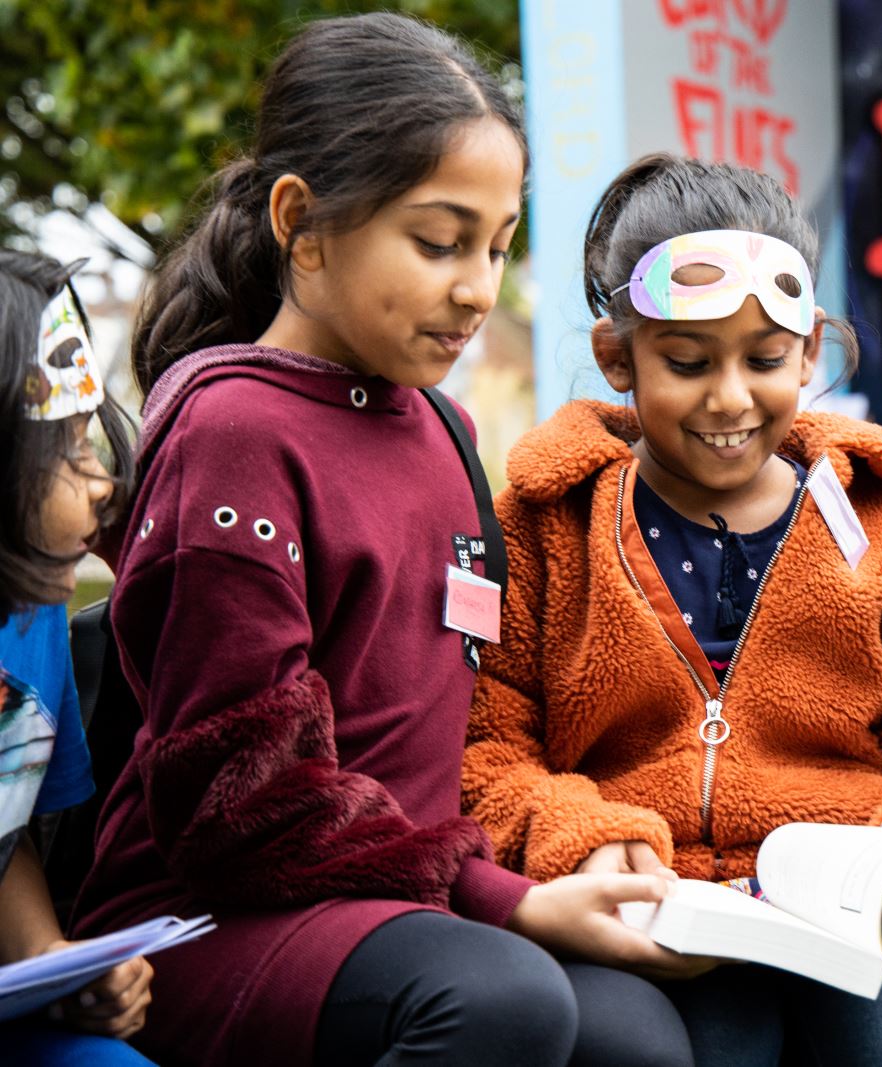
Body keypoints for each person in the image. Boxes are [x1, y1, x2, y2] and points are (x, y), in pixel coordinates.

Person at [69, 15, 692, 1067]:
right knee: (502, 1001)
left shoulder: (444, 426)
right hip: (207, 915)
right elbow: (244, 801)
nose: (477, 287)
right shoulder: (233, 434)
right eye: (439, 241)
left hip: (393, 900)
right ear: (303, 224)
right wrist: (505, 900)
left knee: (641, 1039)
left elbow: (460, 706)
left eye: (498, 246)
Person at [464, 153, 882, 1067]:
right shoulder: (539, 527)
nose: (730, 398)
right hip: (648, 919)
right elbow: (489, 747)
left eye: (766, 359)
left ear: (809, 351)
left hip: (851, 924)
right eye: (687, 363)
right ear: (617, 358)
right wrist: (586, 841)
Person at [0, 251, 152, 1065]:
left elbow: (7, 830)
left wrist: (53, 961)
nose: (102, 483)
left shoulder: (34, 619)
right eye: (66, 445)